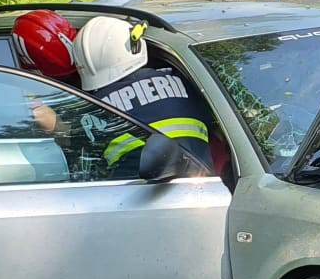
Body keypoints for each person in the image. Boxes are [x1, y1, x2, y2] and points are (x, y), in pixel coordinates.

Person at [71, 15, 216, 171]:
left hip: (133, 192)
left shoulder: (91, 109)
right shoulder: (184, 82)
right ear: (134, 45)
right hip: (205, 182)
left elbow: (76, 155)